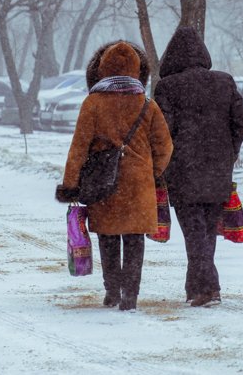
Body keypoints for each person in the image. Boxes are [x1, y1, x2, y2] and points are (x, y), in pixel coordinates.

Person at [56, 41, 173, 311]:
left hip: (103, 186)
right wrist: (151, 172)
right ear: (136, 69)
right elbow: (165, 147)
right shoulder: (146, 104)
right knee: (134, 241)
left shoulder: (93, 103)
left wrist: (71, 185)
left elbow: (78, 148)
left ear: (102, 69)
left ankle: (112, 292)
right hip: (138, 188)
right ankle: (130, 296)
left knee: (108, 239)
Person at [153, 27, 243, 307]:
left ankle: (210, 289)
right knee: (206, 232)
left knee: (195, 234)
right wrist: (229, 151)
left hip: (183, 171)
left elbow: (163, 131)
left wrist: (165, 161)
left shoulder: (168, 87)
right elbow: (241, 122)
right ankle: (195, 288)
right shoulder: (224, 82)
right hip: (218, 170)